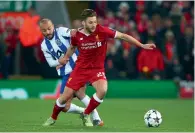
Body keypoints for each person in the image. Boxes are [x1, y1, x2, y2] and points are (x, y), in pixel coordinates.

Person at [43, 9, 156, 127]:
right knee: (64, 98)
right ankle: (53, 118)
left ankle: (86, 114)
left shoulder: (102, 31)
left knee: (102, 90)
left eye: (95, 22)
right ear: (84, 23)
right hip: (80, 69)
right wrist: (65, 59)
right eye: (90, 22)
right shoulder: (77, 35)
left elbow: (123, 36)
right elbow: (72, 48)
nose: (93, 25)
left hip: (97, 69)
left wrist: (141, 45)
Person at [40, 18, 103, 127]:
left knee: (80, 93)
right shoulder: (44, 45)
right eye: (44, 30)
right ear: (41, 31)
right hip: (65, 74)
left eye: (49, 29)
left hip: (78, 67)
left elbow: (73, 32)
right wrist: (59, 61)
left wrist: (82, 30)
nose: (48, 32)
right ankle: (84, 112)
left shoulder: (60, 31)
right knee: (64, 106)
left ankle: (96, 118)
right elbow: (50, 63)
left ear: (53, 26)